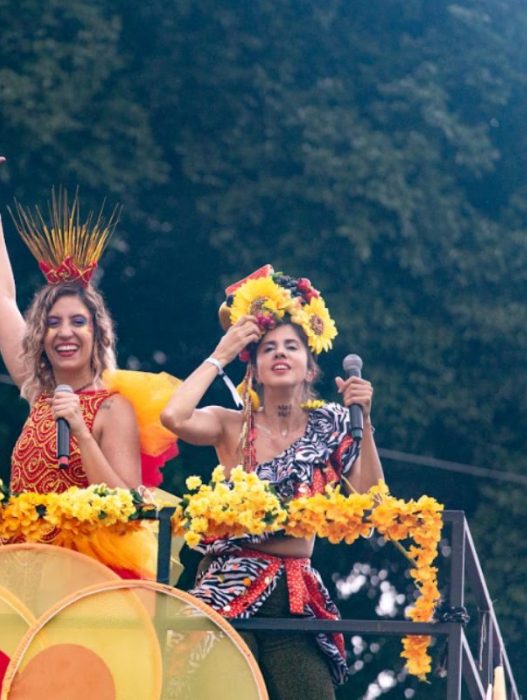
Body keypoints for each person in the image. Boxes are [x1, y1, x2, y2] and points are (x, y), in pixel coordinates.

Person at [159, 265, 384, 697]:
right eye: (268, 348)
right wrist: (221, 353)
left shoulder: (335, 424)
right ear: (255, 368)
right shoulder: (230, 424)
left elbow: (373, 505)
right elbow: (174, 417)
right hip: (226, 589)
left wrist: (366, 424)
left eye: (292, 346)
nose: (280, 354)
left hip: (294, 597)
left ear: (308, 365)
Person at [0, 138, 154, 578]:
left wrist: (81, 433)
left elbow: (126, 508)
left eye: (77, 322)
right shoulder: (38, 394)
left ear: (97, 332)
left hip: (82, 578)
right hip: (18, 567)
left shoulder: (113, 407)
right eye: (52, 323)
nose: (64, 333)